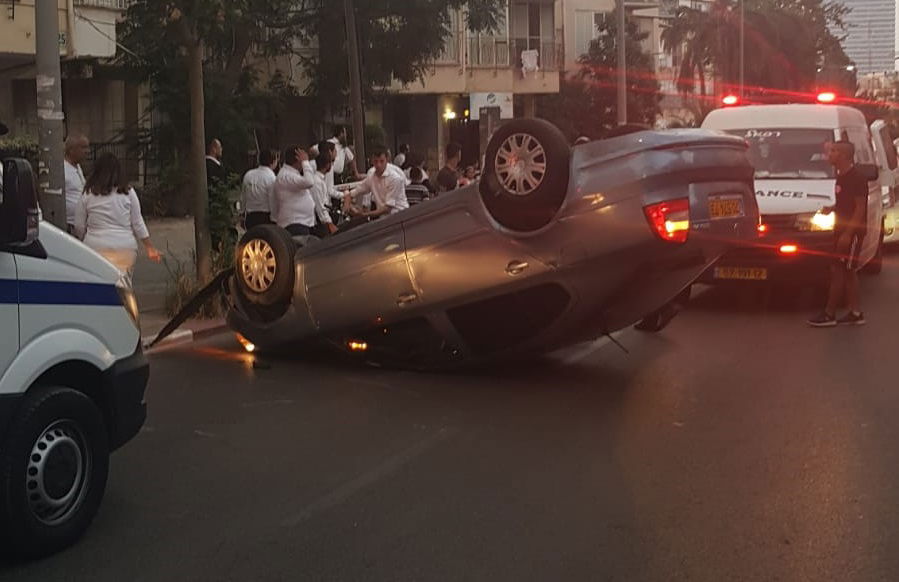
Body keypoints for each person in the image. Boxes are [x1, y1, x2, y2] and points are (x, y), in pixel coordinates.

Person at [808, 140, 869, 327]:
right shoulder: (841, 176)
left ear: (843, 155)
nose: (829, 154)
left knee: (842, 271)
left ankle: (830, 314)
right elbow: (846, 203)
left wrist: (848, 234)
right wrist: (832, 209)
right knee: (845, 271)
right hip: (841, 230)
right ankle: (855, 312)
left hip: (852, 233)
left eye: (834, 151)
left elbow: (860, 208)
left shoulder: (857, 177)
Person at [74, 153, 162, 280]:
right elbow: (138, 223)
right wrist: (150, 248)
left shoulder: (88, 193)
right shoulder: (129, 192)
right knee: (124, 286)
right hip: (125, 247)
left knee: (99, 284)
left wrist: (86, 239)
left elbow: (79, 226)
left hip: (96, 247)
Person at [343, 146, 409, 219]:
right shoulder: (371, 177)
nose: (378, 165)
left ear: (387, 160)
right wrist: (347, 202)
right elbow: (355, 191)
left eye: (381, 161)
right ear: (371, 161)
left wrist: (364, 214)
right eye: (375, 161)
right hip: (384, 218)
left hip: (401, 217)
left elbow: (387, 208)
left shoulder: (395, 178)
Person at [274, 145, 316, 236]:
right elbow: (309, 182)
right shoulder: (286, 176)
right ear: (298, 159)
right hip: (294, 224)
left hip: (302, 222)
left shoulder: (292, 174)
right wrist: (305, 162)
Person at [241, 149, 279, 230]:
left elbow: (243, 196)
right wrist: (275, 219)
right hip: (265, 217)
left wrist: (242, 213)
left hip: (250, 217)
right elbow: (273, 200)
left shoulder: (248, 175)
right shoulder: (271, 177)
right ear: (273, 161)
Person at [311, 150, 340, 238]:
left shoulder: (320, 180)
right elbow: (320, 206)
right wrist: (329, 223)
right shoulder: (317, 182)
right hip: (321, 222)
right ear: (328, 165)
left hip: (324, 218)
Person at [64, 134, 89, 234]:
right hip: (70, 226)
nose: (87, 151)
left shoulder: (77, 167)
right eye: (83, 147)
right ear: (71, 150)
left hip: (82, 223)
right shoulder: (62, 169)